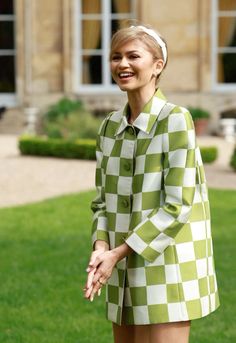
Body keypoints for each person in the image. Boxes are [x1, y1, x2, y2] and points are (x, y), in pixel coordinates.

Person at [84, 24, 220, 343]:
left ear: (157, 66)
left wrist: (115, 253)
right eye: (116, 57)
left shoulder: (175, 120)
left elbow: (177, 205)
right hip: (119, 265)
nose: (122, 64)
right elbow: (102, 200)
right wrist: (100, 247)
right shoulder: (108, 127)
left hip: (167, 266)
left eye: (133, 56)